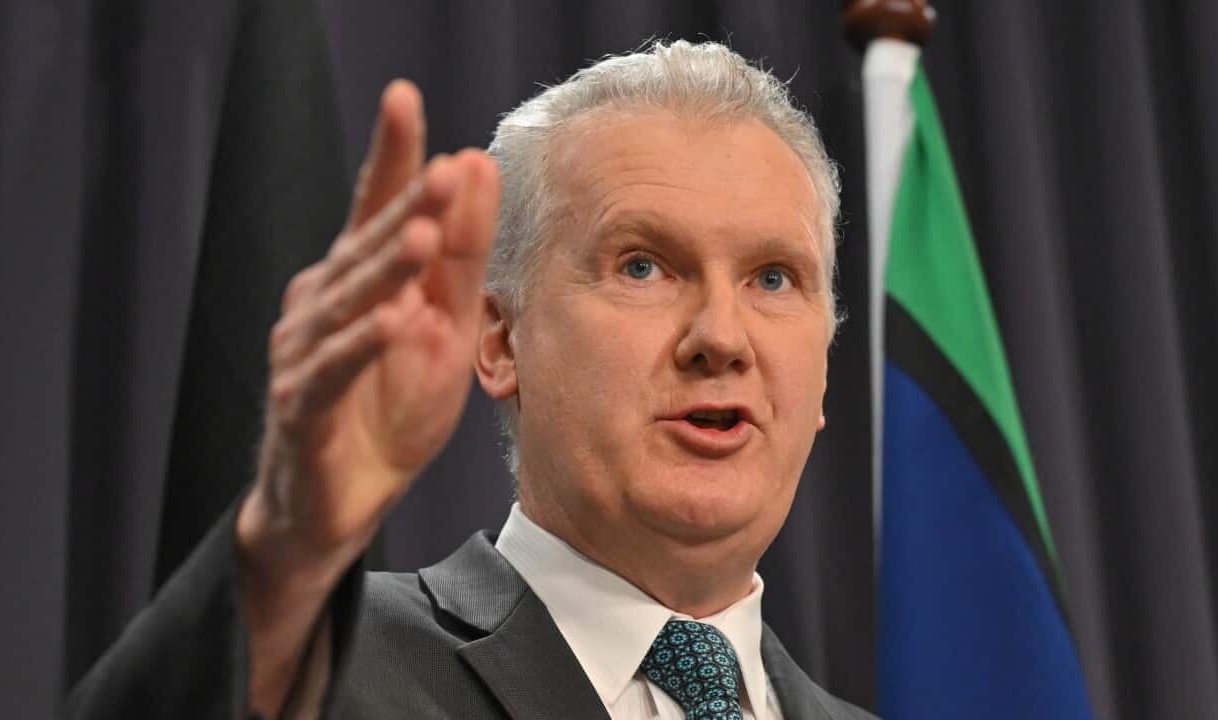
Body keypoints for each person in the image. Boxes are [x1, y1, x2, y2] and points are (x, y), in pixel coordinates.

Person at [67, 40, 875, 720]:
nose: (721, 338)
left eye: (773, 279)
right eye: (642, 265)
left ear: (825, 367)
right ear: (498, 340)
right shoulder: (325, 670)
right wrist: (289, 543)